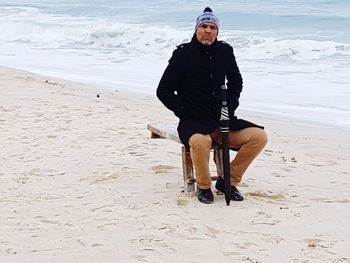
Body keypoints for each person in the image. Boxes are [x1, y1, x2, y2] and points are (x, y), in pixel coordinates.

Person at [157, 7, 268, 204]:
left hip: (223, 120)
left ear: (217, 31)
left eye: (212, 27)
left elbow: (236, 82)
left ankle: (228, 181)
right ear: (196, 29)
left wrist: (230, 108)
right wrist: (185, 111)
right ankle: (204, 186)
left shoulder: (225, 51)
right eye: (204, 26)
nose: (208, 31)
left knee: (259, 137)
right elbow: (163, 91)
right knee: (200, 142)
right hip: (193, 122)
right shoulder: (182, 55)